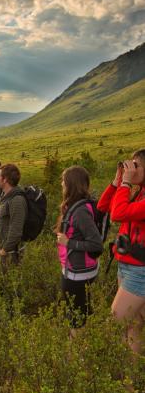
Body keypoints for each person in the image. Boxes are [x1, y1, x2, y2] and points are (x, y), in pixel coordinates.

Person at [97, 149, 145, 354]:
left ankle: (100, 374)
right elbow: (103, 206)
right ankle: (129, 384)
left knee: (114, 322)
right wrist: (117, 182)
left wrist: (126, 182)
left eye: (136, 165)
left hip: (139, 272)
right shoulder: (138, 192)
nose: (131, 169)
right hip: (126, 266)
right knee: (134, 326)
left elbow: (118, 214)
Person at [56, 166, 103, 331]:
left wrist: (69, 243)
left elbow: (96, 244)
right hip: (77, 269)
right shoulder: (78, 206)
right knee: (81, 311)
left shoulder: (80, 211)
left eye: (64, 181)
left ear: (71, 184)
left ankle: (77, 354)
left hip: (78, 273)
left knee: (76, 317)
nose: (61, 184)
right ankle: (82, 347)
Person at [0, 163, 27, 270]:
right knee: (2, 283)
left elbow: (16, 230)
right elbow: (1, 222)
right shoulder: (4, 196)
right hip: (2, 251)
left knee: (10, 284)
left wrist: (5, 250)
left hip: (10, 253)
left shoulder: (17, 200)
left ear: (5, 179)